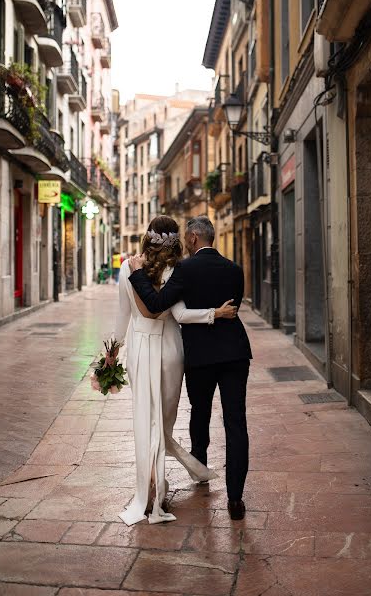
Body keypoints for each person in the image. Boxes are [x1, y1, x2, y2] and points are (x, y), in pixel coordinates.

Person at [114, 215, 237, 526]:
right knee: (163, 424)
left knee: (145, 422)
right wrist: (215, 313)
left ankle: (153, 488)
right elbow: (179, 314)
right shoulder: (177, 270)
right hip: (170, 350)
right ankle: (162, 484)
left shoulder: (128, 267)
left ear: (146, 238)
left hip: (140, 349)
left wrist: (111, 354)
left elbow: (122, 317)